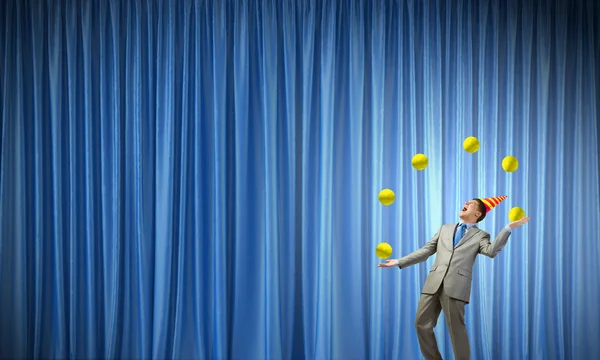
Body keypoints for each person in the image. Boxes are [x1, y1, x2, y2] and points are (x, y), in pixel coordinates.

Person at [378, 196, 530, 360]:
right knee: (421, 324)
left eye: (470, 204)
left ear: (478, 214)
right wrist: (400, 261)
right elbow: (426, 251)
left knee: (456, 329)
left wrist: (508, 227)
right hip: (433, 283)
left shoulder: (481, 235)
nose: (465, 203)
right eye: (466, 202)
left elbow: (491, 251)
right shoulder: (444, 229)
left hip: (457, 286)